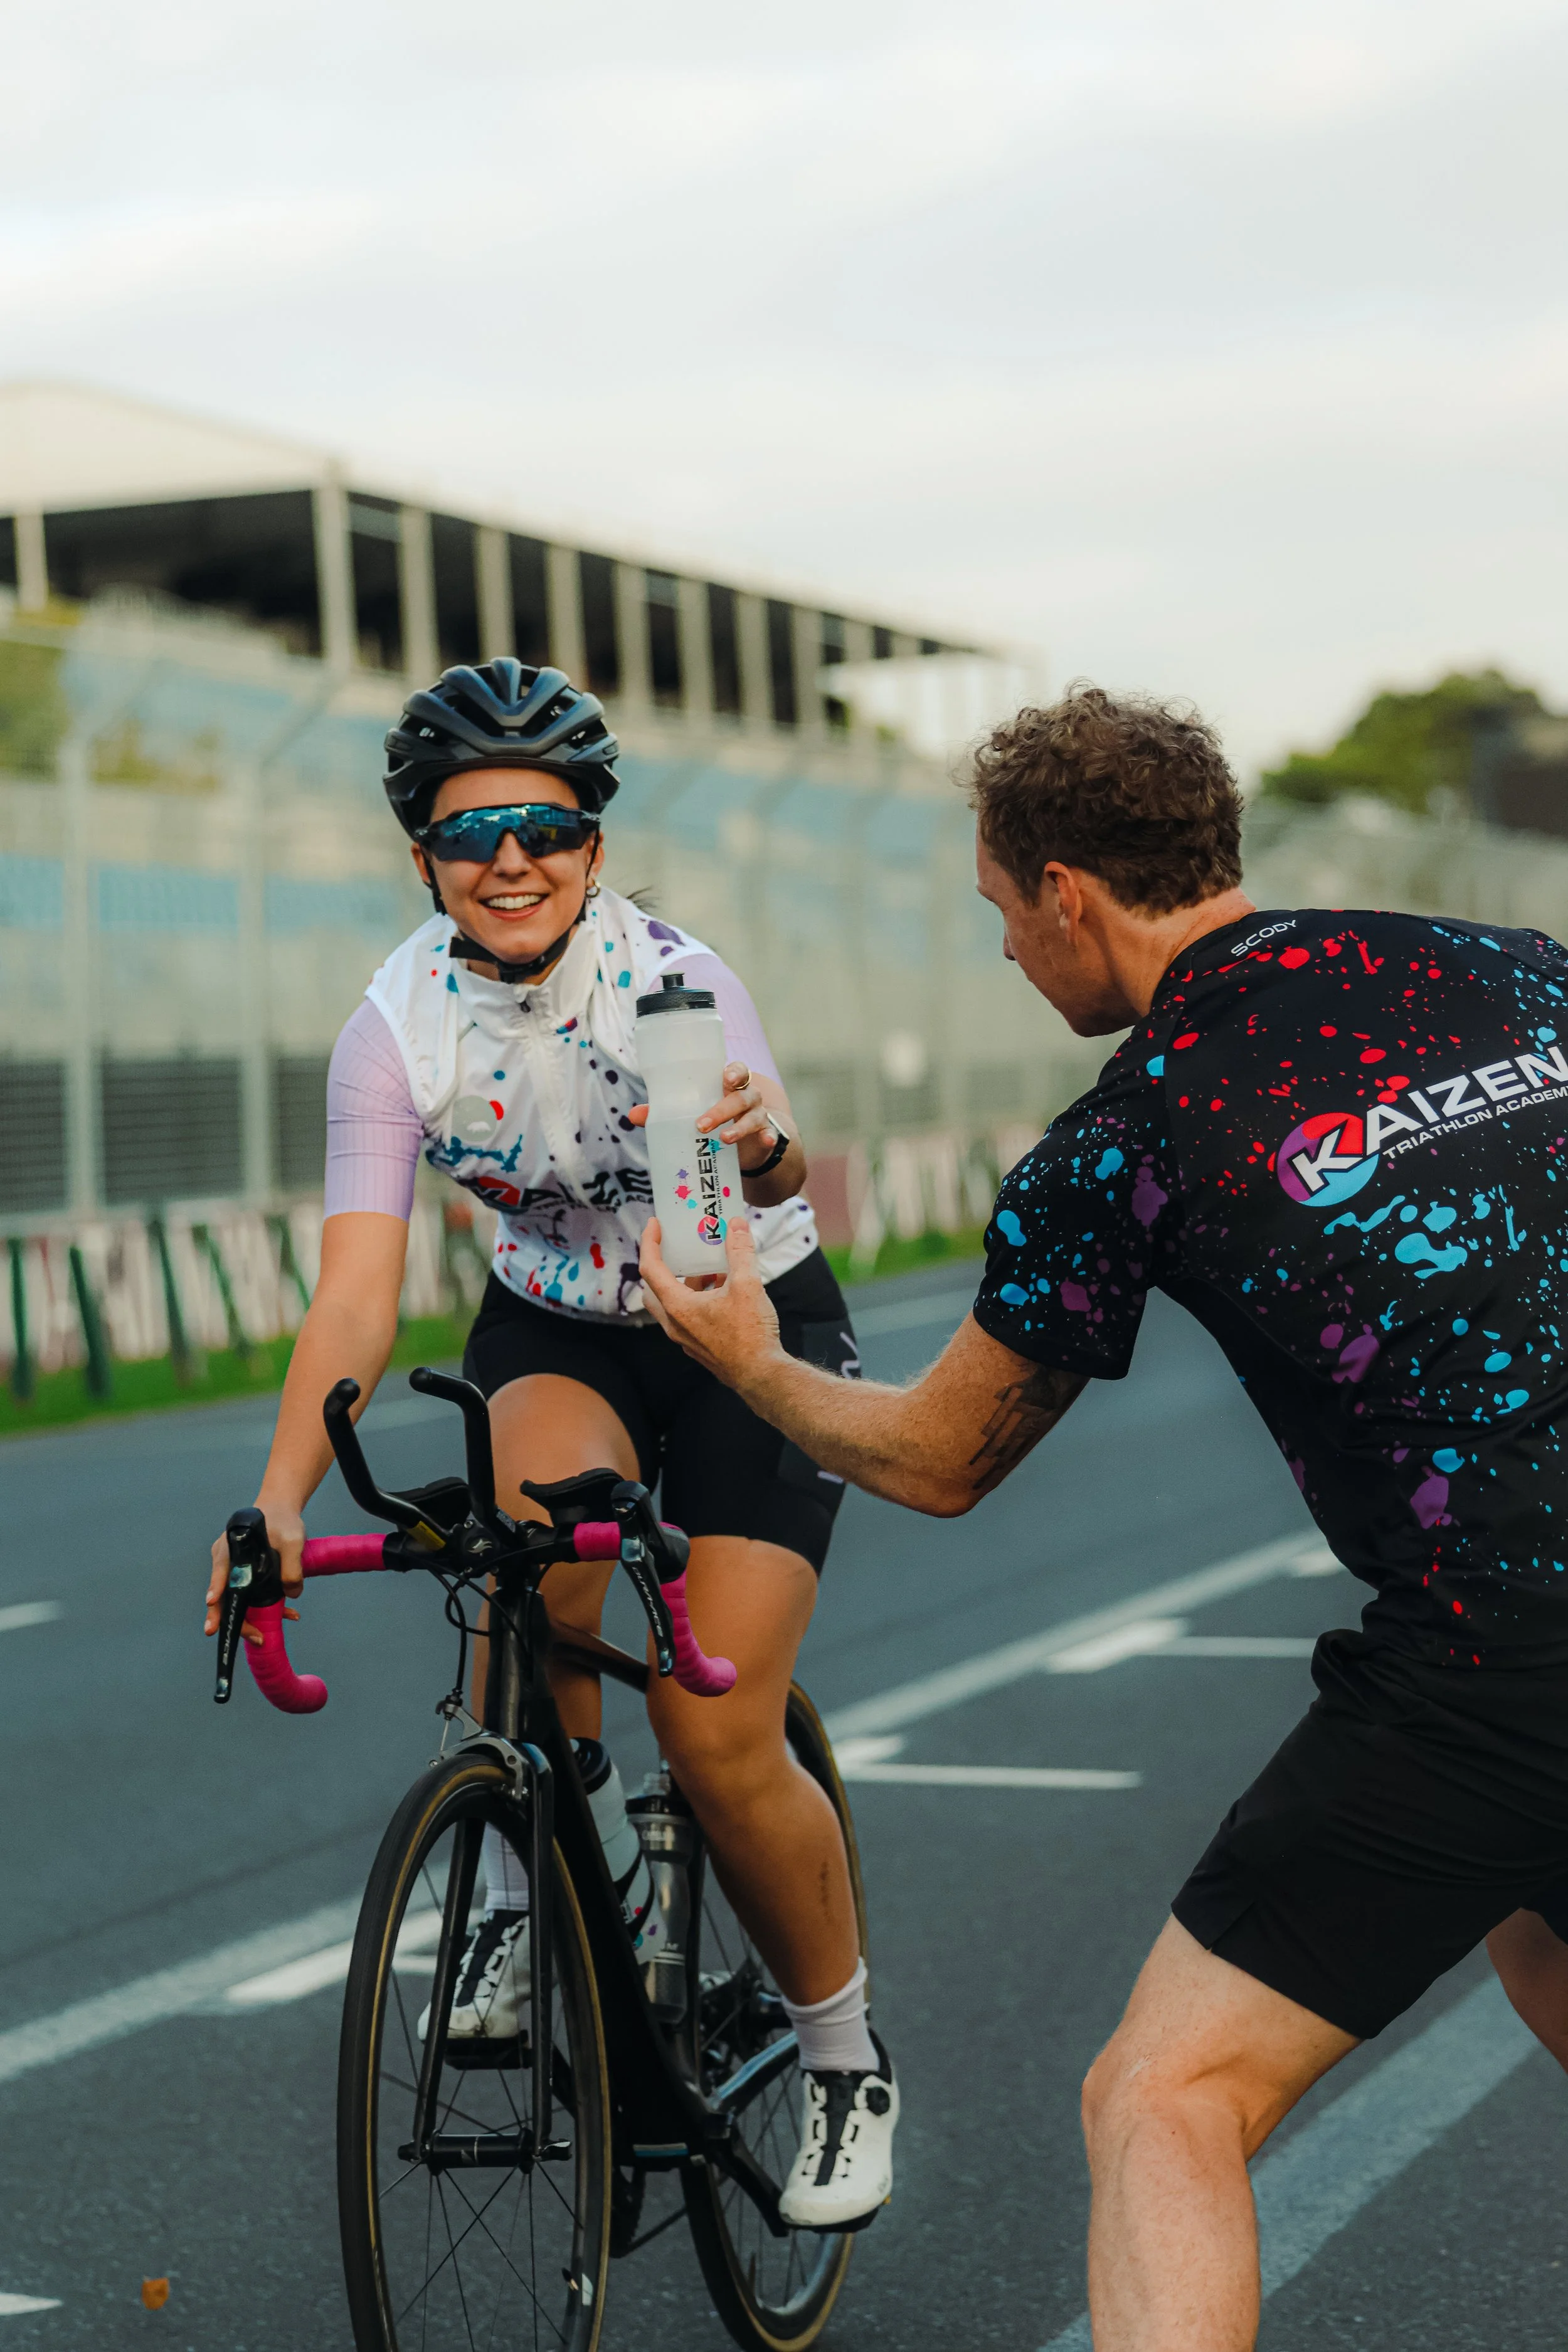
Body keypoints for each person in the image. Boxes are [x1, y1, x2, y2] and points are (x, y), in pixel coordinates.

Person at [639, 681, 1568, 2348]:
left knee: (1162, 2093)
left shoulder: (1127, 1134)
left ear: (1066, 890)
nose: (1003, 952)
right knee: (1537, 1934)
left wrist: (747, 1358)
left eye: (998, 910)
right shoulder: (1510, 964)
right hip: (1520, 1675)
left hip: (1502, 1646)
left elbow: (937, 1454)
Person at [203, 658, 898, 2231]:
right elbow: (357, 1294)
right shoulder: (393, 1031)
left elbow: (765, 1170)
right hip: (558, 1325)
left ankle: (843, 2057)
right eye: (469, 836)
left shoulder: (674, 985)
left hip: (740, 1324)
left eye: (542, 825)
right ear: (422, 860)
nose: (508, 859)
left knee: (721, 1738)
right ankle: (527, 1894)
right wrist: (277, 1504)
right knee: (523, 1585)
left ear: (592, 842)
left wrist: (764, 1141)